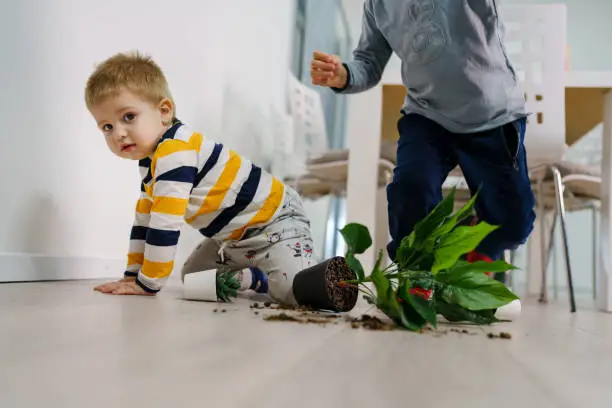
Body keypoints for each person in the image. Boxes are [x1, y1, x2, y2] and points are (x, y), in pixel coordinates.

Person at [310, 0, 535, 277]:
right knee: (411, 188)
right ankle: (415, 272)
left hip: (492, 115)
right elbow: (368, 63)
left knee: (513, 225)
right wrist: (343, 75)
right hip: (427, 115)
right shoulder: (378, 5)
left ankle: (470, 249)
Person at [86, 51, 315, 304]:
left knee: (291, 292)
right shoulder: (151, 164)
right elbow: (145, 220)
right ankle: (257, 277)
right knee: (195, 277)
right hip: (232, 239)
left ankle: (327, 279)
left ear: (164, 111)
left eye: (128, 117)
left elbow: (165, 223)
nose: (118, 133)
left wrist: (147, 283)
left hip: (274, 219)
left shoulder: (176, 152)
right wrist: (132, 275)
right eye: (107, 127)